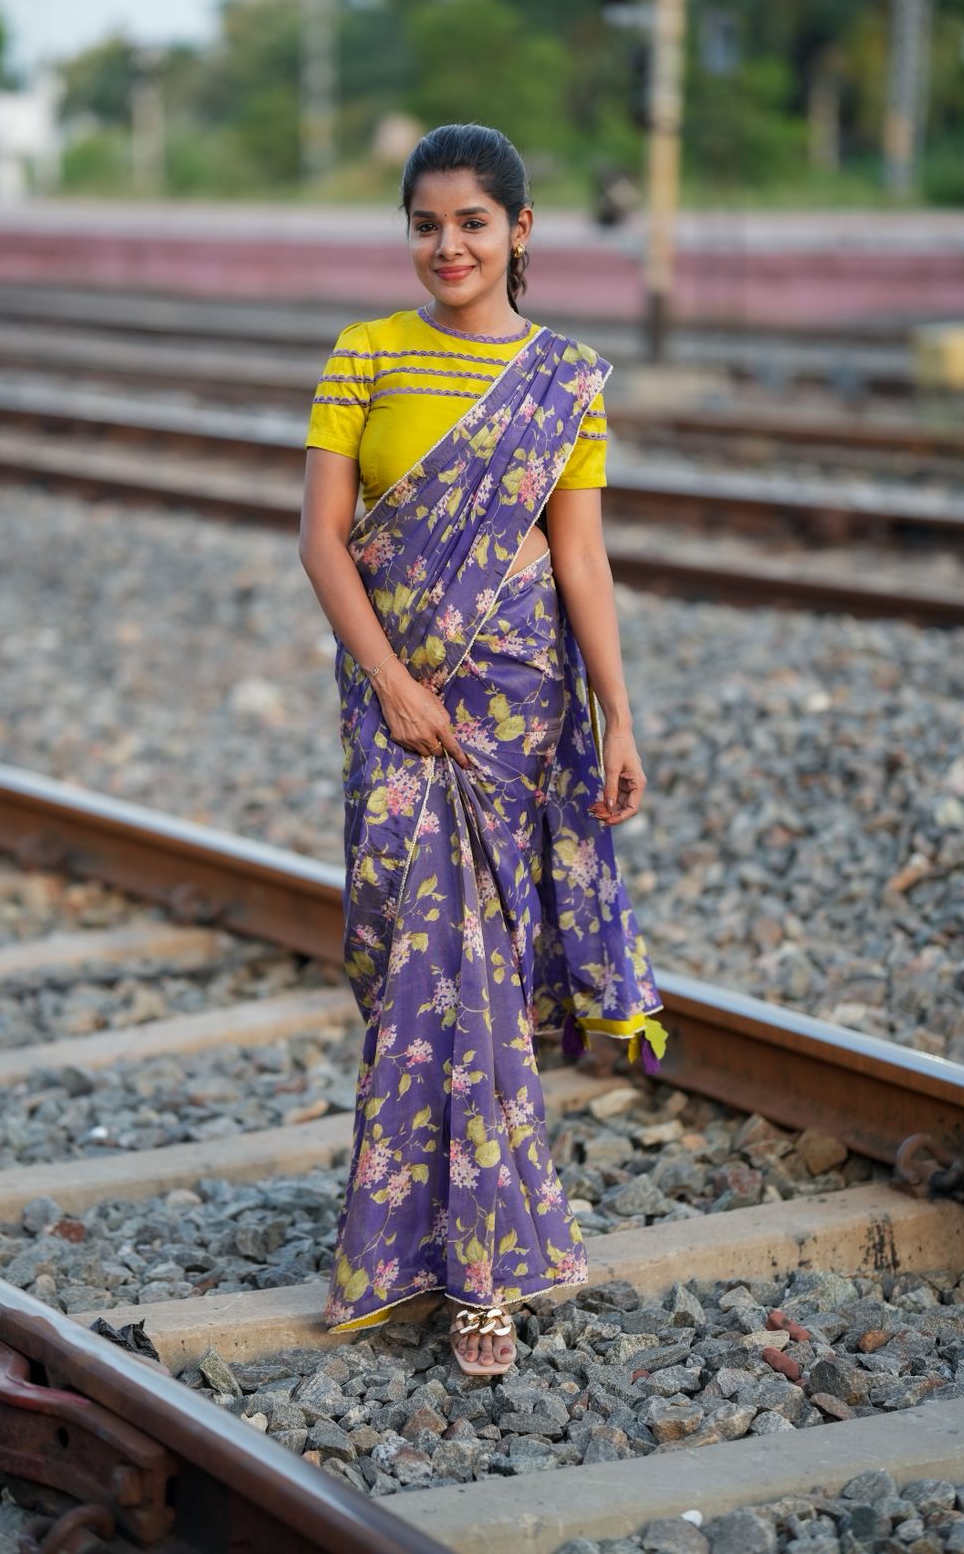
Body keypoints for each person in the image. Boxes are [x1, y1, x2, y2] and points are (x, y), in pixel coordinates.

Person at [298, 122, 666, 1378]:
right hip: (396, 708)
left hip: (518, 705)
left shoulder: (565, 379)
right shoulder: (364, 355)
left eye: (469, 221)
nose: (444, 245)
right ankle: (423, 1246)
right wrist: (394, 684)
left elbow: (579, 558)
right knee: (401, 952)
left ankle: (483, 1273)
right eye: (422, 222)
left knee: (482, 976)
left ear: (521, 231)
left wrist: (616, 710)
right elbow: (322, 543)